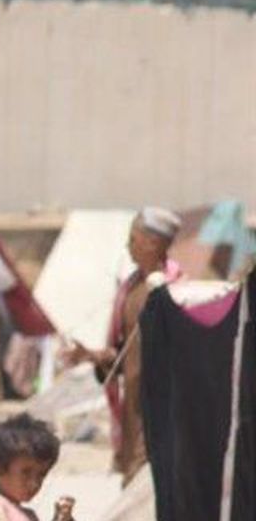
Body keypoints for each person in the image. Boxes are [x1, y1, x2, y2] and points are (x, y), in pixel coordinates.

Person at [64, 208, 183, 485]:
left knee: (151, 484)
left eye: (133, 239)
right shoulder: (129, 289)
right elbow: (122, 353)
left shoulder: (177, 289)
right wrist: (90, 355)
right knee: (131, 478)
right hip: (132, 408)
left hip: (162, 408)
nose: (128, 247)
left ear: (153, 243)